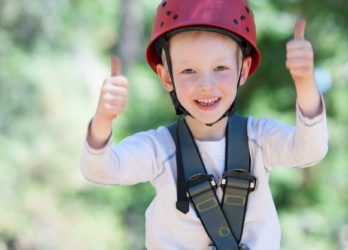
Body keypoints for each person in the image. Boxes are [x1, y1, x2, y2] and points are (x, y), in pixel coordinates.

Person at [80, 0, 328, 249]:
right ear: (167, 76)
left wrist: (305, 82)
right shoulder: (159, 149)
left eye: (220, 67)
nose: (206, 84)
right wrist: (103, 120)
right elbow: (100, 170)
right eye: (189, 71)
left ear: (243, 69)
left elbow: (310, 149)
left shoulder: (259, 140)